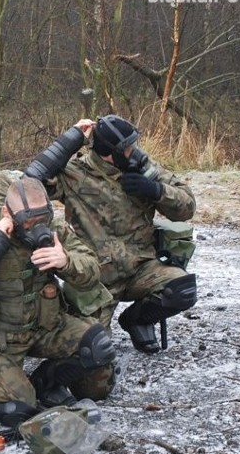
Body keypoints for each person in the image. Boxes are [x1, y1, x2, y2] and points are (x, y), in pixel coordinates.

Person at [0, 177, 117, 428]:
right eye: (28, 222)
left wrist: (66, 261)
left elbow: (91, 269)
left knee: (99, 362)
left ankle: (47, 380)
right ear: (7, 213)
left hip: (45, 327)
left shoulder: (54, 229)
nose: (36, 228)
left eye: (42, 219)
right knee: (19, 409)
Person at [24, 115, 197, 354]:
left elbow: (188, 206)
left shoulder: (143, 167)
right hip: (97, 279)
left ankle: (136, 320)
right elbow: (30, 182)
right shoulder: (74, 174)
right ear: (109, 153)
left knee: (183, 289)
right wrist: (72, 139)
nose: (133, 151)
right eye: (126, 148)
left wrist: (156, 191)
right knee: (93, 355)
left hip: (142, 268)